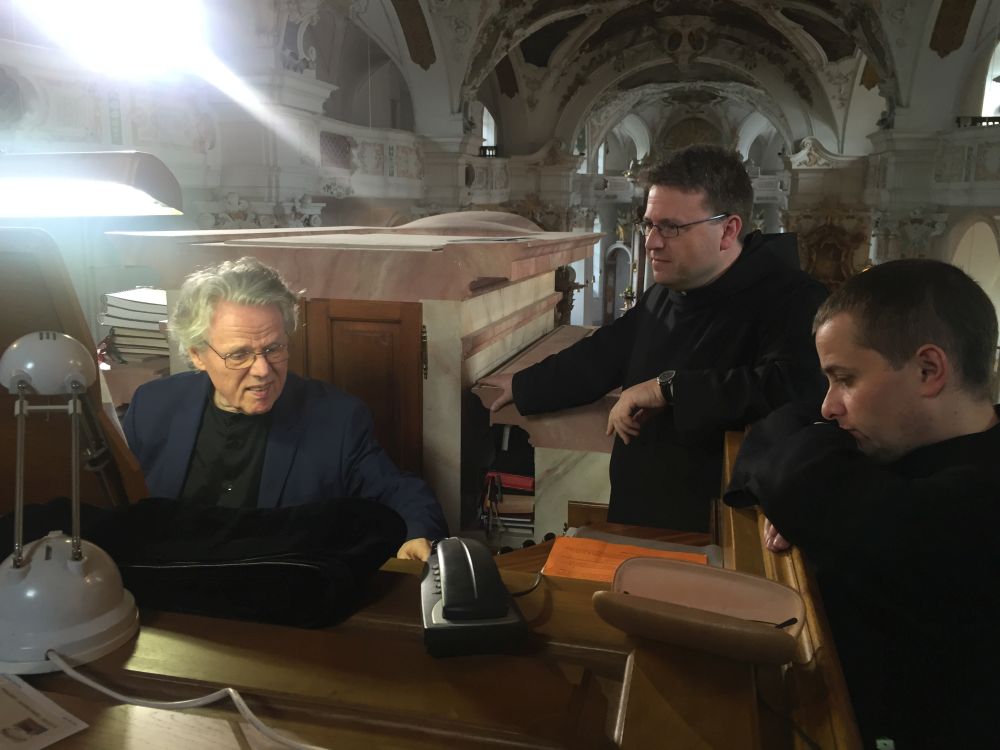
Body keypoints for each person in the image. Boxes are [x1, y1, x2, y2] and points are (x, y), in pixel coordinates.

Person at [726, 259, 1000, 748]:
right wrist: (806, 494)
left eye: (846, 379)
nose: (828, 406)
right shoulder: (889, 441)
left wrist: (799, 491)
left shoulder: (976, 503)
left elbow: (790, 468)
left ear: (928, 370)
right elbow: (776, 429)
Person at [482, 144, 827, 532]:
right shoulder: (669, 290)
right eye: (648, 224)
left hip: (711, 524)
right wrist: (524, 385)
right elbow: (607, 351)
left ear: (728, 230)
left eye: (671, 227)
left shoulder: (793, 299)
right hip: (638, 505)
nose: (651, 242)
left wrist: (669, 389)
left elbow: (793, 390)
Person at [123, 257, 447, 561]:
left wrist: (418, 534)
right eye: (239, 355)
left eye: (273, 348)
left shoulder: (336, 418)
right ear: (197, 355)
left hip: (278, 591)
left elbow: (400, 491)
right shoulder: (153, 406)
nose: (262, 370)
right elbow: (118, 506)